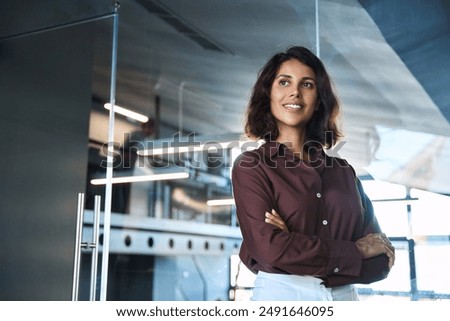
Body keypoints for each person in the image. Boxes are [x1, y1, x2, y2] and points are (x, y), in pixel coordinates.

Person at [231, 46, 395, 301]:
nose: (295, 91)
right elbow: (270, 251)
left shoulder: (343, 172)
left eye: (307, 84)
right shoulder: (252, 166)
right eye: (284, 82)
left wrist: (295, 246)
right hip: (283, 299)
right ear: (269, 94)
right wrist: (356, 251)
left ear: (318, 100)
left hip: (345, 301)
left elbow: (381, 261)